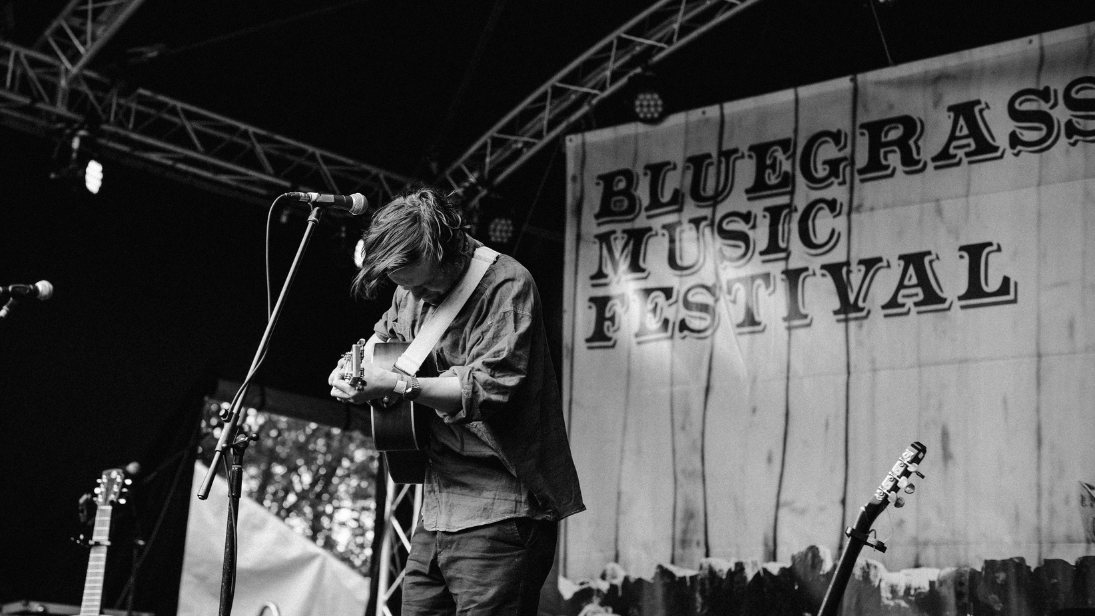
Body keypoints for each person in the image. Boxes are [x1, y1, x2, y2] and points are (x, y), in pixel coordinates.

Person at [328, 186, 584, 616]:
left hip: (501, 509)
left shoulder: (507, 283)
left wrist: (397, 386)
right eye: (408, 288)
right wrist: (350, 370)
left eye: (428, 283)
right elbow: (382, 344)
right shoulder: (409, 291)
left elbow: (487, 390)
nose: (421, 296)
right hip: (438, 507)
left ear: (453, 249)